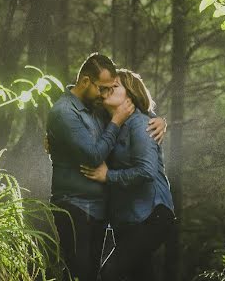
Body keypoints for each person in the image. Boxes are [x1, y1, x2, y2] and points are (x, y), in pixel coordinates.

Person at [47, 54, 167, 281]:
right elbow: (93, 155)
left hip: (102, 210)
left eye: (110, 88)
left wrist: (158, 119)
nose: (105, 94)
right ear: (85, 82)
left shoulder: (97, 106)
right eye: (102, 88)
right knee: (81, 274)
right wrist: (116, 122)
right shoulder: (65, 112)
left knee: (94, 274)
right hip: (74, 205)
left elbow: (134, 107)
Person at [80, 68, 176, 281]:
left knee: (109, 274)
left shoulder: (141, 124)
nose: (108, 90)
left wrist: (108, 176)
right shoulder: (108, 125)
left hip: (152, 215)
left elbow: (147, 171)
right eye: (106, 87)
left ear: (129, 95)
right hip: (126, 220)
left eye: (116, 86)